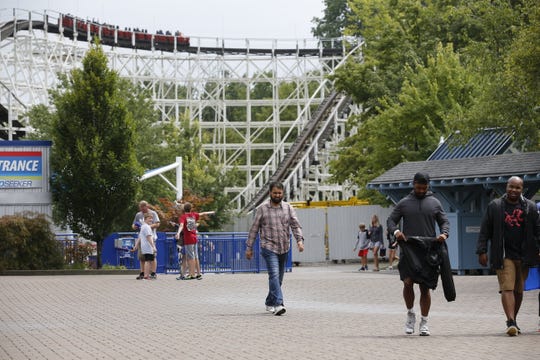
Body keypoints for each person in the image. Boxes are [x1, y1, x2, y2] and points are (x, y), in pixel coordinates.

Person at [387, 172, 450, 336]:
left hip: (428, 250)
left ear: (428, 186)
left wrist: (444, 233)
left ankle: (424, 321)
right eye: (418, 187)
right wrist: (396, 232)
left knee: (425, 287)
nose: (421, 190)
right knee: (407, 282)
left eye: (424, 187)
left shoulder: (434, 203)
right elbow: (391, 220)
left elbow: (444, 221)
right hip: (409, 248)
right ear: (413, 184)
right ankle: (410, 314)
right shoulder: (404, 203)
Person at [476, 176, 540, 336]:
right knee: (507, 287)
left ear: (522, 189)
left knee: (518, 290)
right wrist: (481, 250)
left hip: (524, 255)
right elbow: (485, 230)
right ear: (506, 187)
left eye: (517, 188)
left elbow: (538, 231)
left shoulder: (530, 207)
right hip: (504, 254)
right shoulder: (496, 206)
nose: (514, 190)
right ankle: (510, 321)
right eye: (511, 187)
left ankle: (514, 321)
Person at [245, 181, 305, 316]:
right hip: (268, 247)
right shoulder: (262, 208)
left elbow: (295, 225)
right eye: (275, 193)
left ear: (283, 193)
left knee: (279, 279)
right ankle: (279, 304)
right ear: (270, 193)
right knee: (274, 274)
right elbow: (254, 228)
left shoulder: (288, 208)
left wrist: (299, 241)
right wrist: (249, 247)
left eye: (279, 193)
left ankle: (269, 301)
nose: (277, 195)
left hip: (284, 247)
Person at [175, 202, 215, 280]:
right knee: (196, 256)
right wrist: (211, 212)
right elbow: (202, 214)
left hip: (188, 239)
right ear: (191, 209)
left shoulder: (183, 217)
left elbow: (181, 225)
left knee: (190, 257)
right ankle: (198, 274)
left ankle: (192, 274)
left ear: (184, 209)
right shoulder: (194, 215)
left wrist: (178, 233)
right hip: (194, 237)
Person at [132, 200, 160, 279]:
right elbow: (134, 225)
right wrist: (135, 227)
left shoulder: (153, 213)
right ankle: (143, 273)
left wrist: (148, 227)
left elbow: (158, 223)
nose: (142, 210)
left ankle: (153, 273)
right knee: (143, 257)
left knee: (152, 257)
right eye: (140, 208)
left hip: (151, 237)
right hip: (143, 240)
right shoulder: (138, 215)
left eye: (143, 208)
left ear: (146, 206)